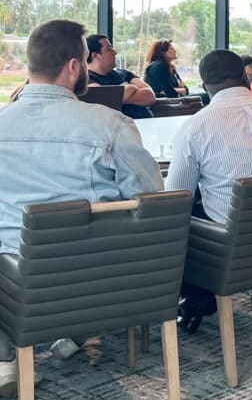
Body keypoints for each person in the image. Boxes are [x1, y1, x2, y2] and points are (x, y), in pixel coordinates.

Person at [0, 20, 163, 376]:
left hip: (19, 281)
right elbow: (152, 199)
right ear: (75, 66)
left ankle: (5, 355)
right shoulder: (110, 124)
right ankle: (75, 330)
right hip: (100, 280)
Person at [167, 50, 252, 321]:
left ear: (205, 87)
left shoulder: (196, 126)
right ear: (245, 76)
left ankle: (198, 295)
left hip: (229, 241)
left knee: (178, 212)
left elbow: (176, 197)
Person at [86, 34, 156, 118]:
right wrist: (131, 88)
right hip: (120, 129)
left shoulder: (124, 73)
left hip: (147, 124)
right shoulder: (86, 80)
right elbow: (104, 101)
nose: (115, 52)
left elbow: (150, 96)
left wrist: (120, 98)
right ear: (96, 56)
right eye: (109, 49)